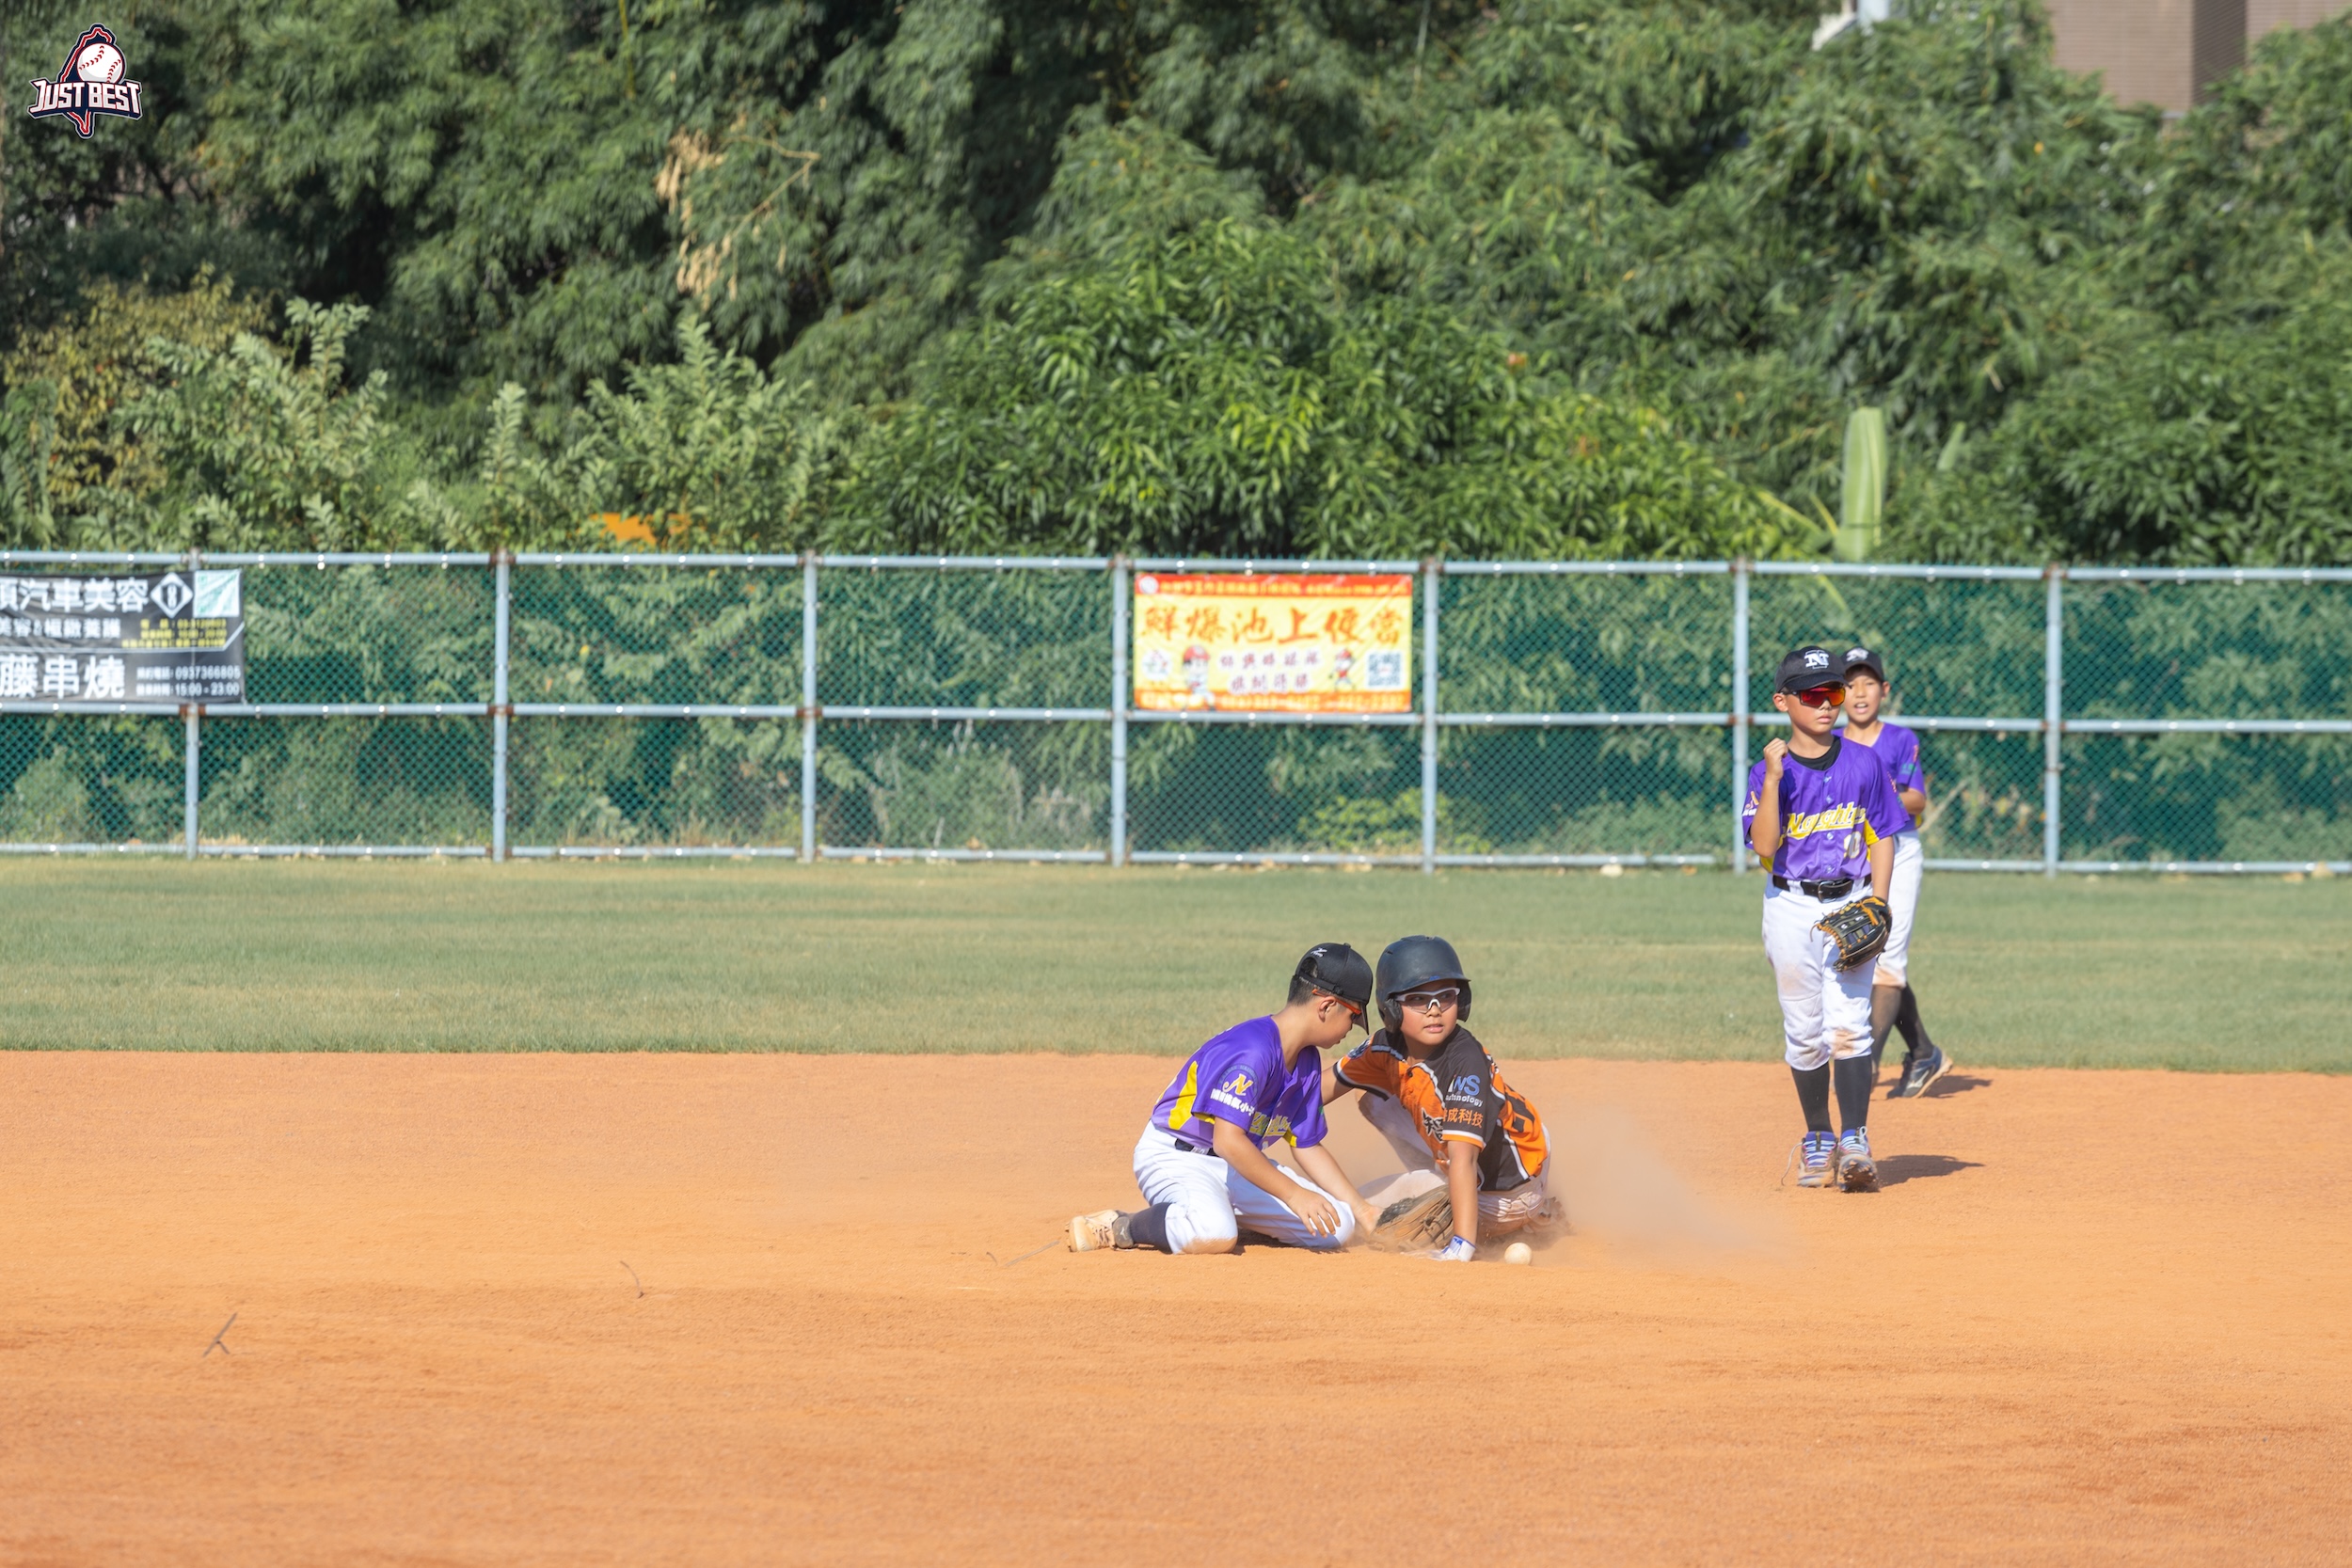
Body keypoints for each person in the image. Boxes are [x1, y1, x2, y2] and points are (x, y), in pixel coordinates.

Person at [1070, 943, 1383, 1254]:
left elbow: (1306, 1145)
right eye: (1354, 1015)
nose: (1352, 1028)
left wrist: (1363, 1210)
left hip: (1235, 1165)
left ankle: (1221, 1210)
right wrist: (1294, 1195)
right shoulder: (1253, 1050)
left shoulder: (1307, 1060)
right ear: (1327, 1006)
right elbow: (1227, 1141)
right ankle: (1123, 1225)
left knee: (1337, 1226)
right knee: (1215, 1232)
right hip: (1176, 1156)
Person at [1744, 646, 1913, 1192]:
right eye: (1812, 694)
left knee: (1849, 1025)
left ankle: (1856, 1139)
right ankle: (1819, 1134)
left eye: (1833, 692)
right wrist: (1774, 780)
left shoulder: (1864, 763)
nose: (1826, 703)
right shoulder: (1766, 772)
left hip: (1850, 901)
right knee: (1803, 1031)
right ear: (1783, 701)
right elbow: (1763, 846)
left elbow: (1883, 834)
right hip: (1790, 904)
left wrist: (1879, 903)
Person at [1321, 936, 1552, 1259]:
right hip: (1516, 1151)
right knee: (1371, 1096)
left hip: (1507, 1192)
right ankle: (1509, 1209)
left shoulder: (1465, 1062)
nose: (1434, 1010)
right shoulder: (1384, 1046)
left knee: (1354, 1211)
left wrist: (1461, 1246)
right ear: (1391, 1007)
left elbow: (1464, 1160)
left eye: (1445, 996)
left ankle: (1515, 1218)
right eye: (1418, 999)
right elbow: (1317, 1091)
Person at [1839, 646, 1953, 1099]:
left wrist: (1868, 798)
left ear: (1883, 690)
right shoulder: (1831, 741)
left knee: (1887, 961)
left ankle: (1865, 1062)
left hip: (1899, 851)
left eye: (1868, 682)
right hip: (1849, 859)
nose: (1859, 692)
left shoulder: (1899, 739)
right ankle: (1924, 1052)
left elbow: (1916, 799)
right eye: (1850, 684)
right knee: (1860, 955)